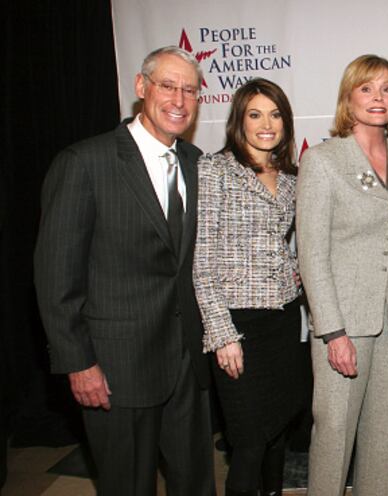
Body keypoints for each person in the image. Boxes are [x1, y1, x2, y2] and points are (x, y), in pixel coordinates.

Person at [33, 46, 214, 495]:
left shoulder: (196, 163)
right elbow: (56, 276)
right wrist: (79, 363)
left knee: (196, 484)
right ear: (141, 87)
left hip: (187, 364)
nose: (179, 99)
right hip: (116, 370)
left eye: (189, 90)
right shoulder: (85, 163)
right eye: (167, 86)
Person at [296, 54, 388, 496]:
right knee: (333, 432)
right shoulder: (323, 160)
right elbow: (311, 253)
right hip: (343, 321)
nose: (378, 97)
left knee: (385, 434)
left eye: (387, 88)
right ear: (348, 99)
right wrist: (332, 332)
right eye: (367, 88)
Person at [193, 78, 308, 496]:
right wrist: (222, 334)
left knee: (277, 433)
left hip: (282, 321)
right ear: (239, 121)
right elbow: (202, 262)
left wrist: (295, 272)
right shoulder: (215, 169)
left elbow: (283, 245)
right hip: (237, 326)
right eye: (255, 114)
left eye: (275, 114)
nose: (267, 124)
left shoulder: (293, 179)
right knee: (248, 442)